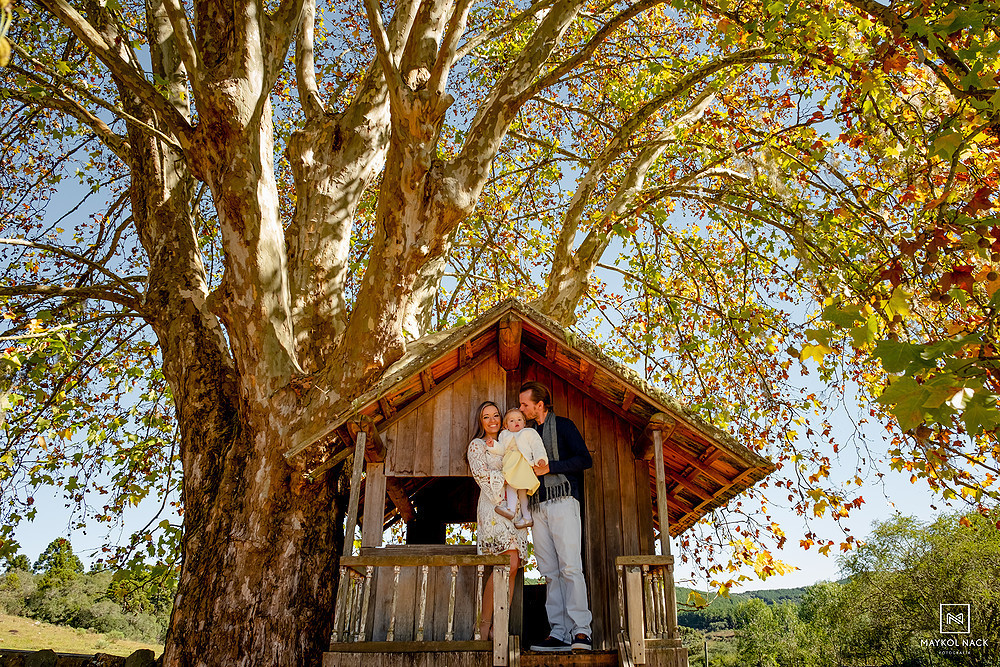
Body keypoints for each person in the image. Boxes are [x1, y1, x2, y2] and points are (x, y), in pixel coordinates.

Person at [519, 381, 594, 652]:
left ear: (540, 404)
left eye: (525, 404)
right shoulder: (526, 434)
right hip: (537, 506)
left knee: (570, 567)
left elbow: (584, 460)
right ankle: (559, 633)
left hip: (563, 501)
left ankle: (581, 632)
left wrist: (550, 468)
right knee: (550, 572)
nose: (521, 408)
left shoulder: (563, 426)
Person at [467, 400, 526, 641]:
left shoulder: (509, 441)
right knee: (504, 565)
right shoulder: (477, 445)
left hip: (516, 507)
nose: (492, 420)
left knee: (512, 568)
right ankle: (484, 625)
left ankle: (498, 625)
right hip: (493, 507)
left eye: (496, 415)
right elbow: (482, 475)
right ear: (480, 422)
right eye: (486, 417)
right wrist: (511, 473)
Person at [488, 408, 547, 529]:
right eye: (512, 420)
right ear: (505, 426)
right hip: (510, 465)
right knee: (514, 487)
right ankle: (524, 516)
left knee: (519, 490)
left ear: (524, 423)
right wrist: (493, 446)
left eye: (520, 419)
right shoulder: (504, 435)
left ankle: (514, 510)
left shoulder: (528, 432)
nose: (516, 422)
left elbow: (537, 445)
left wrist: (540, 458)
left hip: (522, 464)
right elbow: (501, 449)